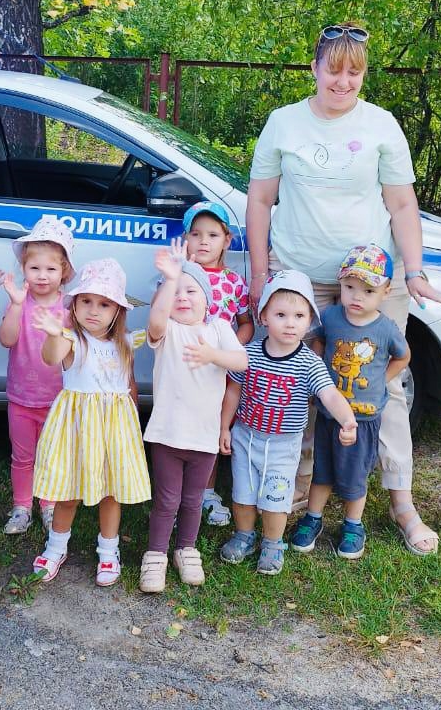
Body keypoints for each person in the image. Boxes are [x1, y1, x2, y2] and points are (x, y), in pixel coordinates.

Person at [246, 22, 441, 555]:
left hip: (371, 281)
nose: (343, 82)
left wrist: (413, 270)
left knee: (382, 391)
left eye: (354, 72)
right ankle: (295, 496)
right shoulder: (284, 123)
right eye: (334, 70)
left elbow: (402, 203)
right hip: (301, 280)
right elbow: (261, 199)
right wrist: (259, 271)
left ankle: (402, 502)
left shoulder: (382, 125)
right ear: (314, 68)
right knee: (301, 385)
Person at [218, 270, 358, 576]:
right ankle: (244, 535)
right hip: (246, 435)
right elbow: (233, 390)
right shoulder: (249, 354)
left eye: (299, 315)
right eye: (281, 314)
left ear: (309, 320)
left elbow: (330, 394)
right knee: (242, 493)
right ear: (264, 316)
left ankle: (272, 542)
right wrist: (224, 427)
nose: (290, 322)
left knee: (275, 497)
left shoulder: (309, 362)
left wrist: (347, 419)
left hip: (283, 444)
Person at [30, 258, 151, 586]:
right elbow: (52, 357)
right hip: (77, 429)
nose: (93, 310)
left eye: (104, 304)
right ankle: (56, 547)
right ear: (74, 305)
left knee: (112, 492)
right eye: (86, 301)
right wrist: (55, 334)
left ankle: (109, 550)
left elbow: (129, 383)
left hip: (114, 430)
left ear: (117, 311)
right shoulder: (71, 339)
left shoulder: (125, 343)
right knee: (68, 492)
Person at [140, 241, 246, 593]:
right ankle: (155, 553)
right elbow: (154, 322)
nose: (182, 297)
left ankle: (186, 548)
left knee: (192, 500)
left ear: (207, 298)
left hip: (203, 438)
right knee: (167, 500)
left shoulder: (218, 330)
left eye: (191, 290)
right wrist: (170, 277)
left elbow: (241, 362)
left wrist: (212, 354)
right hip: (168, 435)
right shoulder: (167, 330)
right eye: (175, 293)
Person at [293, 244, 410, 560]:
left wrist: (380, 380)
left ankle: (353, 524)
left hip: (363, 417)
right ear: (340, 286)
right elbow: (318, 340)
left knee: (355, 474)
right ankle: (313, 518)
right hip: (330, 414)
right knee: (323, 469)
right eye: (349, 288)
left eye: (368, 290)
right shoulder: (331, 317)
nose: (357, 297)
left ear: (385, 292)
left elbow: (403, 356)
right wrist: (318, 363)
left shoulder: (385, 328)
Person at [0, 215, 75, 535]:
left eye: (51, 269)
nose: (42, 276)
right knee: (23, 455)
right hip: (21, 397)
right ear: (24, 269)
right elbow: (6, 339)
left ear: (64, 272)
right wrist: (16, 305)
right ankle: (21, 507)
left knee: (52, 456)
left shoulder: (69, 307)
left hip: (57, 399)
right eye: (35, 268)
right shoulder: (20, 302)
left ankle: (49, 504)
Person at [180, 201, 252, 527]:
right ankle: (179, 490)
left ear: (227, 240)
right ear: (186, 240)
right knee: (184, 424)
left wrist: (230, 350)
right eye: (196, 234)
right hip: (184, 368)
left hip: (219, 370)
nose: (203, 242)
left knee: (212, 425)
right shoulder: (178, 276)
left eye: (212, 234)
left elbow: (246, 323)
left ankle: (206, 491)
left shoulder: (234, 281)